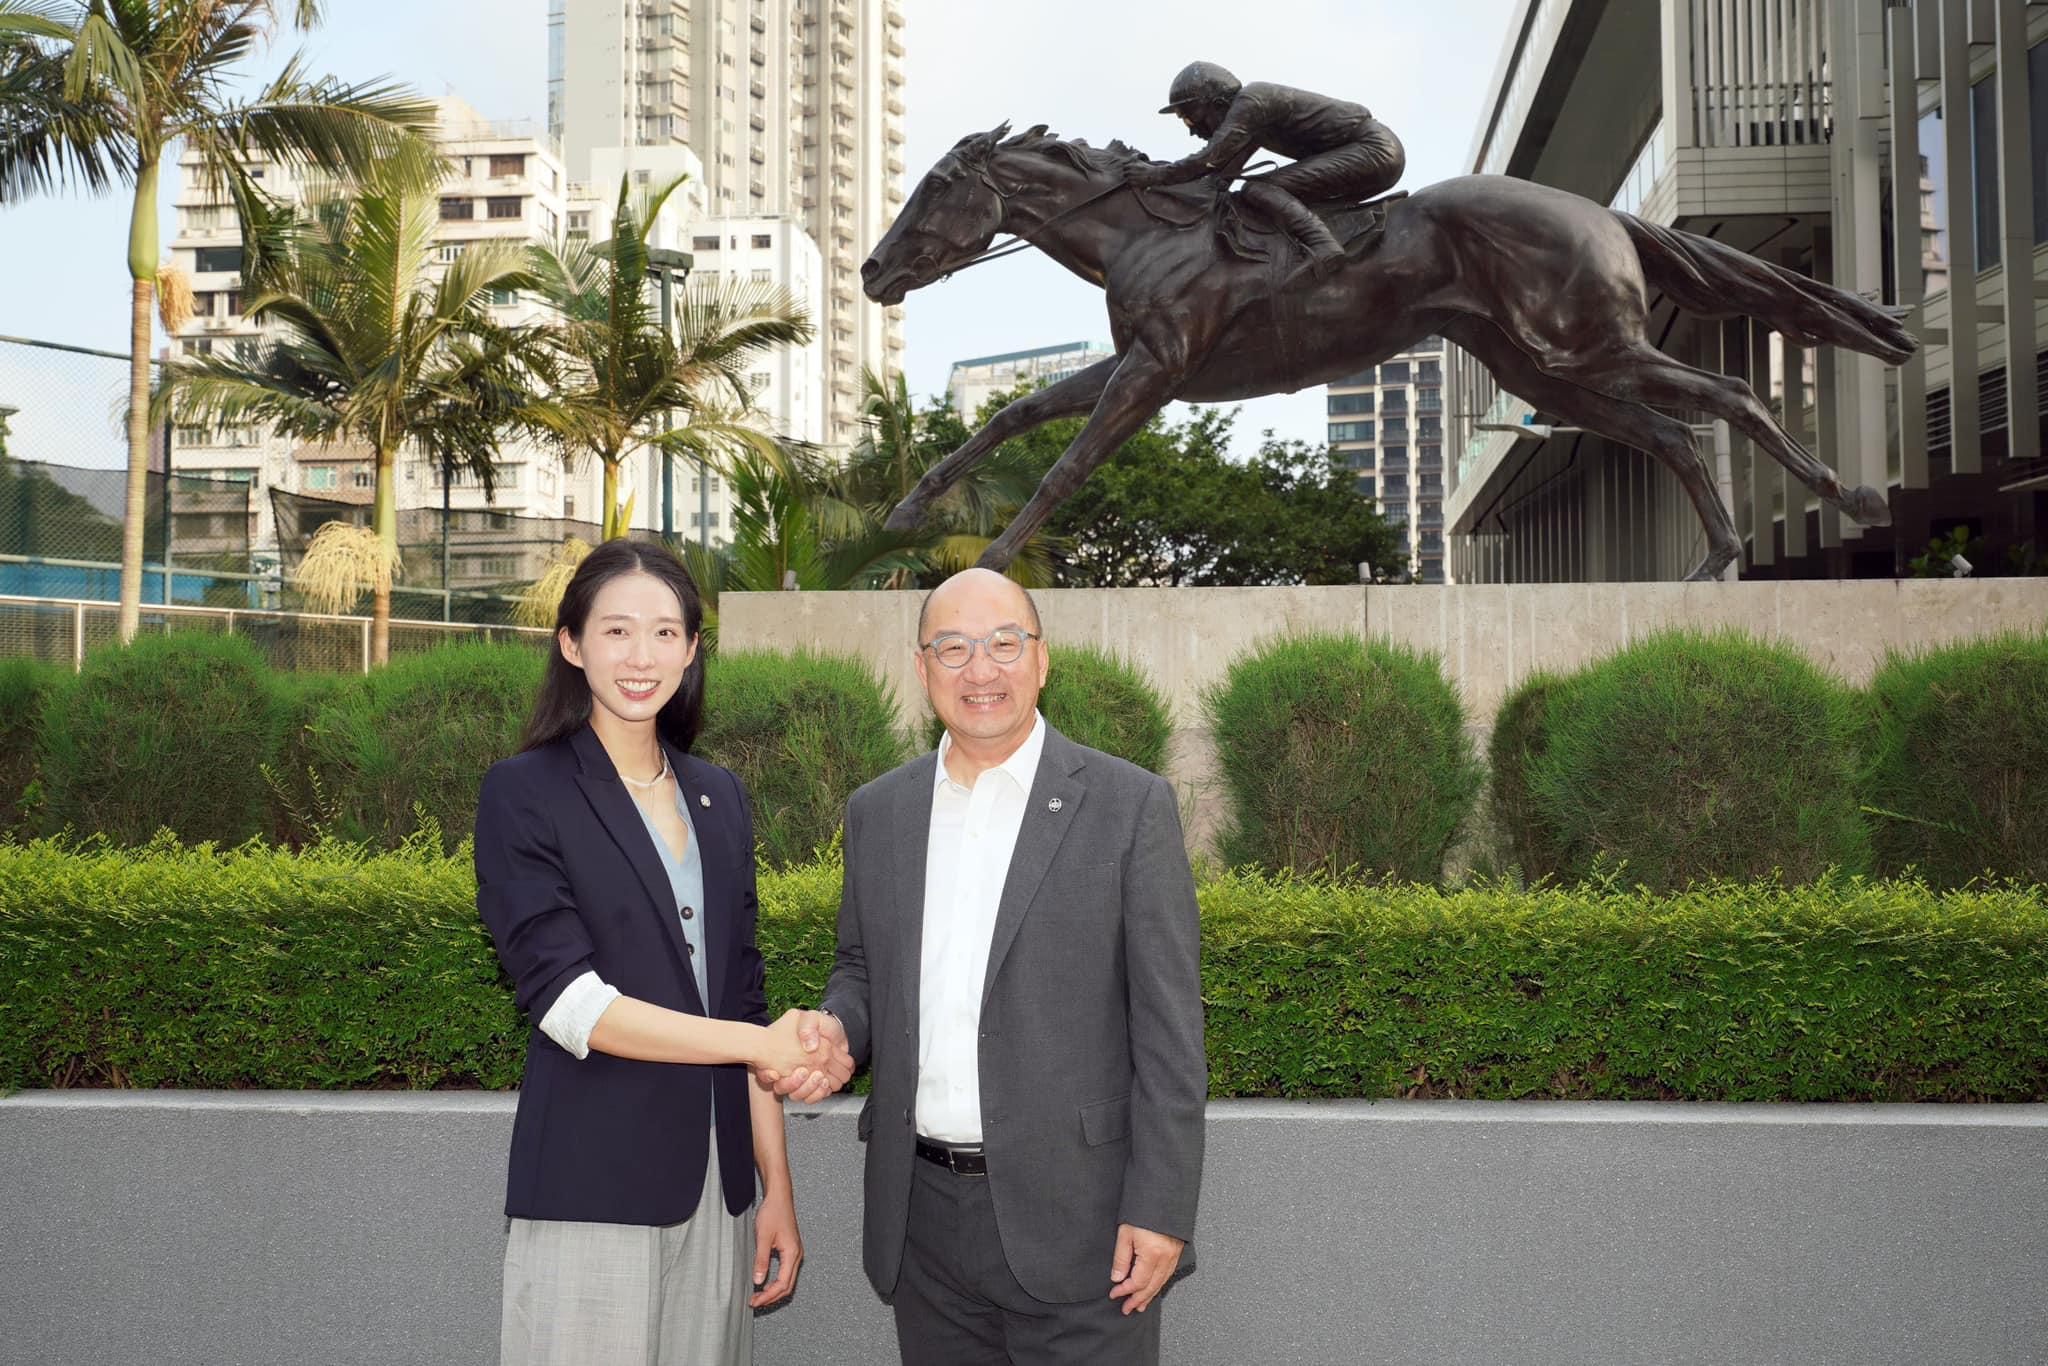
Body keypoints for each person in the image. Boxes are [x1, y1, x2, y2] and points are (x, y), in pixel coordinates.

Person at [781, 567, 1207, 1365]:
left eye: (1004, 644)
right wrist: (838, 1028)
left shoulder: (1128, 806)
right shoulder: (880, 811)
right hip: (924, 1227)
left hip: (1084, 1227)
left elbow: (1169, 1030)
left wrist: (1161, 1207)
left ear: (1041, 659)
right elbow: (862, 967)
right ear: (922, 669)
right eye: (953, 648)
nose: (980, 669)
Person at [475, 538, 854, 1366]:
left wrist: (774, 1191)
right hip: (592, 1187)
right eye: (616, 631)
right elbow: (572, 1006)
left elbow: (743, 1001)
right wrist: (760, 1042)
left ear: (690, 650)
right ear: (572, 644)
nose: (641, 657)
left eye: (664, 633)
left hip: (720, 1195)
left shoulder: (720, 796)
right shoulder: (524, 791)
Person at [1125, 59, 1407, 277]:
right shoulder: (1251, 122)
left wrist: (1156, 175)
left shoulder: (1252, 102)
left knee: (1259, 188)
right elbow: (1218, 177)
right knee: (1255, 196)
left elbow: (1209, 158)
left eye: (1190, 117)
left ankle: (1323, 245)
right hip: (1370, 154)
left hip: (1374, 151)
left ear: (1216, 103)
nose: (1192, 129)